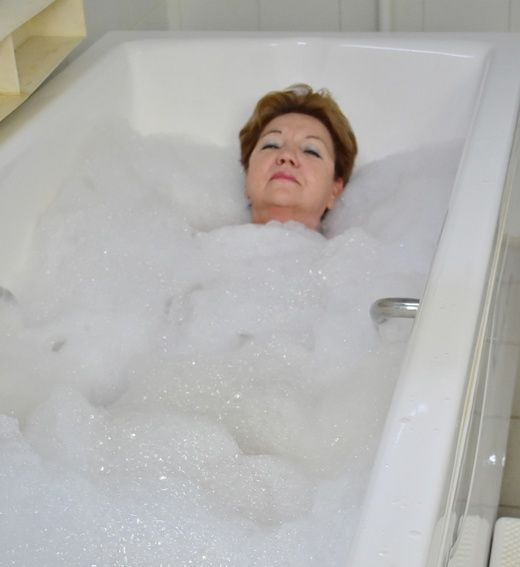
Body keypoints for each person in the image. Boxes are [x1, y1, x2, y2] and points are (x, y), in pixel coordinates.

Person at [239, 84, 357, 231]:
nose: (286, 155)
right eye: (271, 145)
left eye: (311, 151)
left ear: (335, 191)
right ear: (248, 175)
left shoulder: (361, 245)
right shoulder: (212, 242)